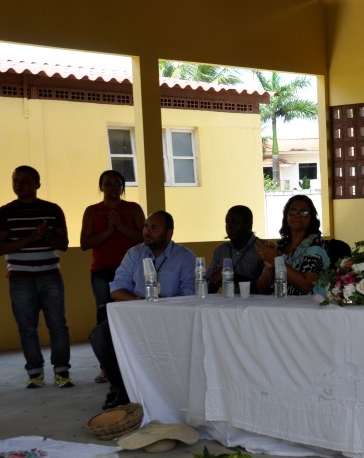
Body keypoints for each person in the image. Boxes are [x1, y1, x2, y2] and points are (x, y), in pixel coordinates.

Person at [89, 210, 197, 409]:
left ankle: (165, 394)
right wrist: (140, 300)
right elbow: (116, 289)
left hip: (169, 318)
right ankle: (121, 390)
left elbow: (190, 293)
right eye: (146, 227)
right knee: (99, 336)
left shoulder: (185, 257)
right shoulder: (134, 254)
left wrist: (165, 303)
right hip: (135, 316)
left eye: (154, 227)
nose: (147, 231)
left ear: (169, 232)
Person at [0, 165, 72, 388]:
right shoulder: (4, 212)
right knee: (27, 327)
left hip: (50, 276)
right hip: (20, 278)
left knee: (57, 325)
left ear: (37, 184)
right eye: (15, 180)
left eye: (25, 180)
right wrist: (31, 237)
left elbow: (63, 244)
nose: (19, 184)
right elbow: (0, 248)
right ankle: (35, 372)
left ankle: (62, 371)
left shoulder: (53, 210)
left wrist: (45, 235)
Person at [80, 170, 145, 383]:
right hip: (102, 271)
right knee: (105, 316)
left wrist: (120, 227)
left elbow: (144, 238)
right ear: (101, 187)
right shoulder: (92, 211)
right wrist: (109, 231)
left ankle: (134, 364)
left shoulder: (133, 209)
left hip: (131, 271)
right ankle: (107, 368)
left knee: (132, 314)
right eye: (108, 183)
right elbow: (85, 243)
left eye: (117, 183)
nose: (113, 187)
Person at [256, 195, 330, 296]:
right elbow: (262, 288)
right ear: (286, 217)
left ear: (311, 218)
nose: (298, 215)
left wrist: (276, 260)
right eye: (293, 211)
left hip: (309, 304)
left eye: (304, 212)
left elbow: (306, 285)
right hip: (279, 303)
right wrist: (269, 268)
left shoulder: (316, 244)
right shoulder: (280, 246)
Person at [207, 205, 264, 294]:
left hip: (257, 302)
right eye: (227, 222)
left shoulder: (263, 248)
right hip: (228, 302)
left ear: (249, 224)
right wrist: (215, 280)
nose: (229, 227)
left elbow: (267, 288)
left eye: (235, 222)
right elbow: (207, 290)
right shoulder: (220, 250)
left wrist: (233, 277)